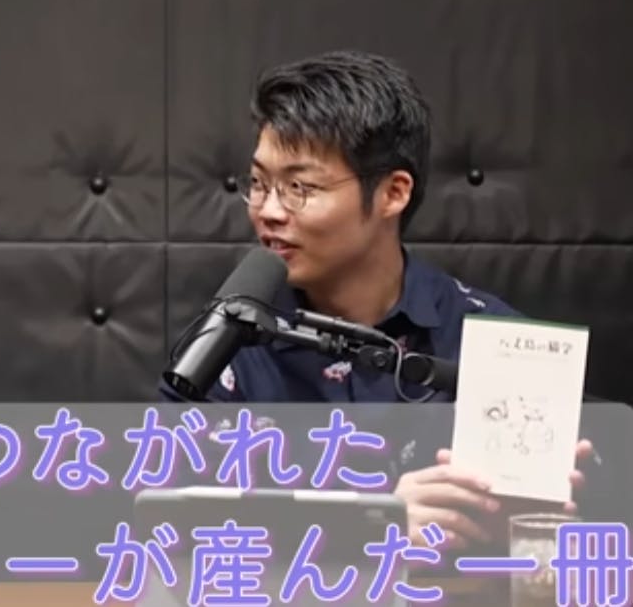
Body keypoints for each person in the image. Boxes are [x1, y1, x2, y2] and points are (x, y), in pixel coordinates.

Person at [201, 50, 596, 552]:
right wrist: (372, 521)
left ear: (393, 193)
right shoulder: (228, 339)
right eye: (259, 184)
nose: (269, 211)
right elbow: (172, 524)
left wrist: (530, 520)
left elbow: (549, 537)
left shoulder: (492, 342)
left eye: (299, 187)